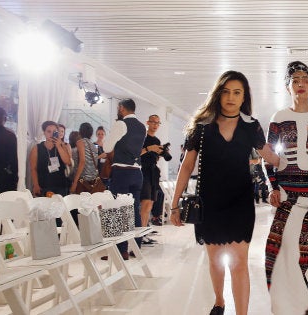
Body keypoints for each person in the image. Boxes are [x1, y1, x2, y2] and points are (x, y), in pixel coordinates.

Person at [170, 71, 281, 315]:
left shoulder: (251, 126)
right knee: (215, 258)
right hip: (209, 202)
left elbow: (270, 157)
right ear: (218, 94)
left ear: (244, 98)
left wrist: (296, 164)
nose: (231, 97)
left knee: (239, 263)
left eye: (237, 92)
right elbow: (187, 166)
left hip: (240, 201)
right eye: (227, 91)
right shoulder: (201, 127)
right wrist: (174, 203)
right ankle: (219, 301)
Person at [264, 61, 308, 314]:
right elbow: (268, 154)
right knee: (282, 246)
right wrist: (272, 186)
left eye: (305, 79)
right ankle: (285, 300)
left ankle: (307, 298)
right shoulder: (279, 117)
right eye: (295, 80)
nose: (300, 84)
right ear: (288, 87)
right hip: (286, 191)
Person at [103, 99, 147, 260]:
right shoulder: (143, 127)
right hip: (137, 172)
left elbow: (107, 147)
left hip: (121, 171)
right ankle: (136, 246)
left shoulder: (121, 124)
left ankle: (120, 250)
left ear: (121, 108)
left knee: (116, 210)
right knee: (134, 209)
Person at [140, 114, 170, 243]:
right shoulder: (142, 138)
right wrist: (148, 149)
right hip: (143, 171)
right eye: (153, 122)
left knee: (150, 204)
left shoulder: (157, 140)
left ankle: (144, 232)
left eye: (158, 123)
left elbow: (155, 157)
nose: (155, 125)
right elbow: (137, 154)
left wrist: (161, 152)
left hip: (153, 172)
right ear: (148, 122)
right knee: (145, 203)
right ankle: (140, 234)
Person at [30, 121, 72, 197]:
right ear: (44, 132)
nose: (51, 134)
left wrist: (59, 146)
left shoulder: (62, 146)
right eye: (49, 131)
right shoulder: (36, 148)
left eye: (54, 132)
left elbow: (68, 162)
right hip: (43, 185)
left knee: (60, 207)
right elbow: (33, 168)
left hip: (61, 185)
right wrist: (36, 185)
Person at [0, 107, 18, 193]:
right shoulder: (10, 135)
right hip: (4, 175)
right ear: (4, 118)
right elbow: (14, 160)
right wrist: (15, 177)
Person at [70, 123, 99, 194]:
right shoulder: (93, 145)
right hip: (93, 179)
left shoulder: (80, 142)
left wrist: (75, 182)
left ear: (80, 132)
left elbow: (82, 161)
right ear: (91, 133)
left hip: (83, 180)